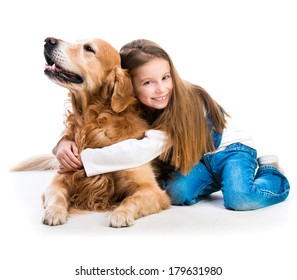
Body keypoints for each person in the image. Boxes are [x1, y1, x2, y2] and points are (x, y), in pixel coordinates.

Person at [53, 39, 290, 211]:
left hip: (232, 151)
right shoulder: (135, 105)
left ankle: (271, 172)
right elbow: (86, 122)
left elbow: (143, 149)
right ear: (128, 86)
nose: (161, 88)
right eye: (148, 82)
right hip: (199, 160)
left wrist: (85, 161)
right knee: (176, 194)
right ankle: (220, 180)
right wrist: (63, 142)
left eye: (166, 78)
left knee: (239, 198)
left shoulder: (182, 105)